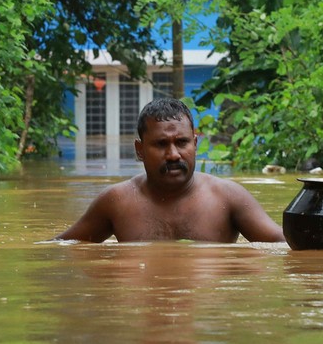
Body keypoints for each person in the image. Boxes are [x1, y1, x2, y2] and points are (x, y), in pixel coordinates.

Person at [55, 98, 286, 243]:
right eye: (161, 144)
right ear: (140, 149)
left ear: (195, 145)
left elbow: (284, 245)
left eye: (182, 142)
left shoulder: (228, 197)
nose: (174, 154)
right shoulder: (117, 202)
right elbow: (61, 247)